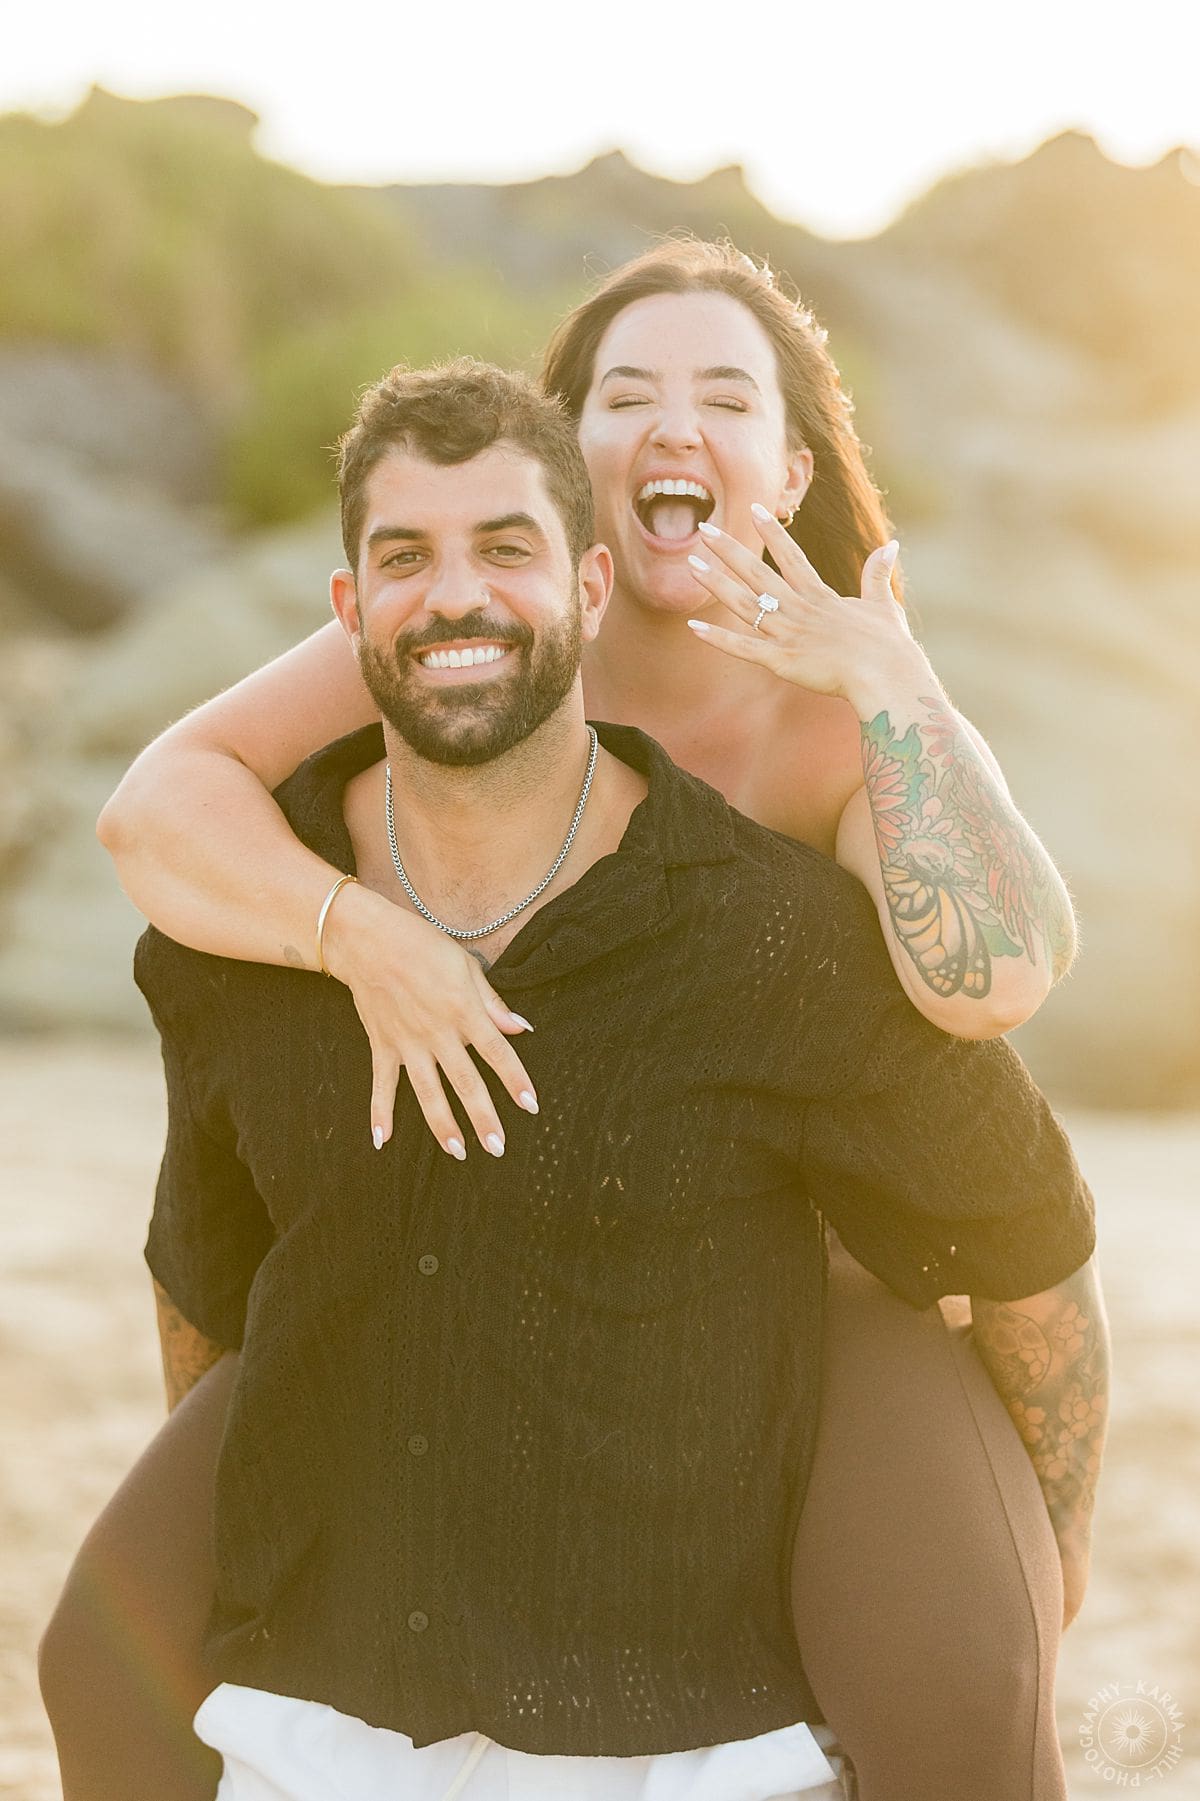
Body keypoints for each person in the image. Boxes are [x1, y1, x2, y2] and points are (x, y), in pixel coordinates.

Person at [43, 242, 1089, 1799]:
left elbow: (995, 978)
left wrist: (888, 681)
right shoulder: (474, 631)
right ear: (566, 452)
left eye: (725, 395)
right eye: (626, 393)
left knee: (958, 1682)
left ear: (786, 466)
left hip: (814, 1264)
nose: (676, 425)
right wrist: (363, 936)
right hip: (498, 1232)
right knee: (104, 1649)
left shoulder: (836, 714)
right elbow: (159, 808)